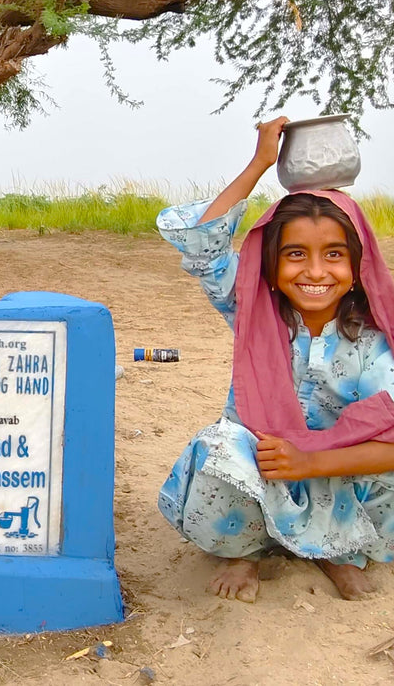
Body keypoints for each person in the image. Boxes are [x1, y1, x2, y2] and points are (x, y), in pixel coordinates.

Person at [158, 117, 394, 604]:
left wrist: (311, 459)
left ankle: (335, 553)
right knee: (219, 450)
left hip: (336, 475)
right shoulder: (255, 310)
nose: (314, 271)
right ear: (269, 264)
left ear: (356, 268)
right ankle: (244, 551)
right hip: (265, 471)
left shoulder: (373, 342)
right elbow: (201, 242)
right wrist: (261, 162)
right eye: (294, 254)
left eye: (333, 254)